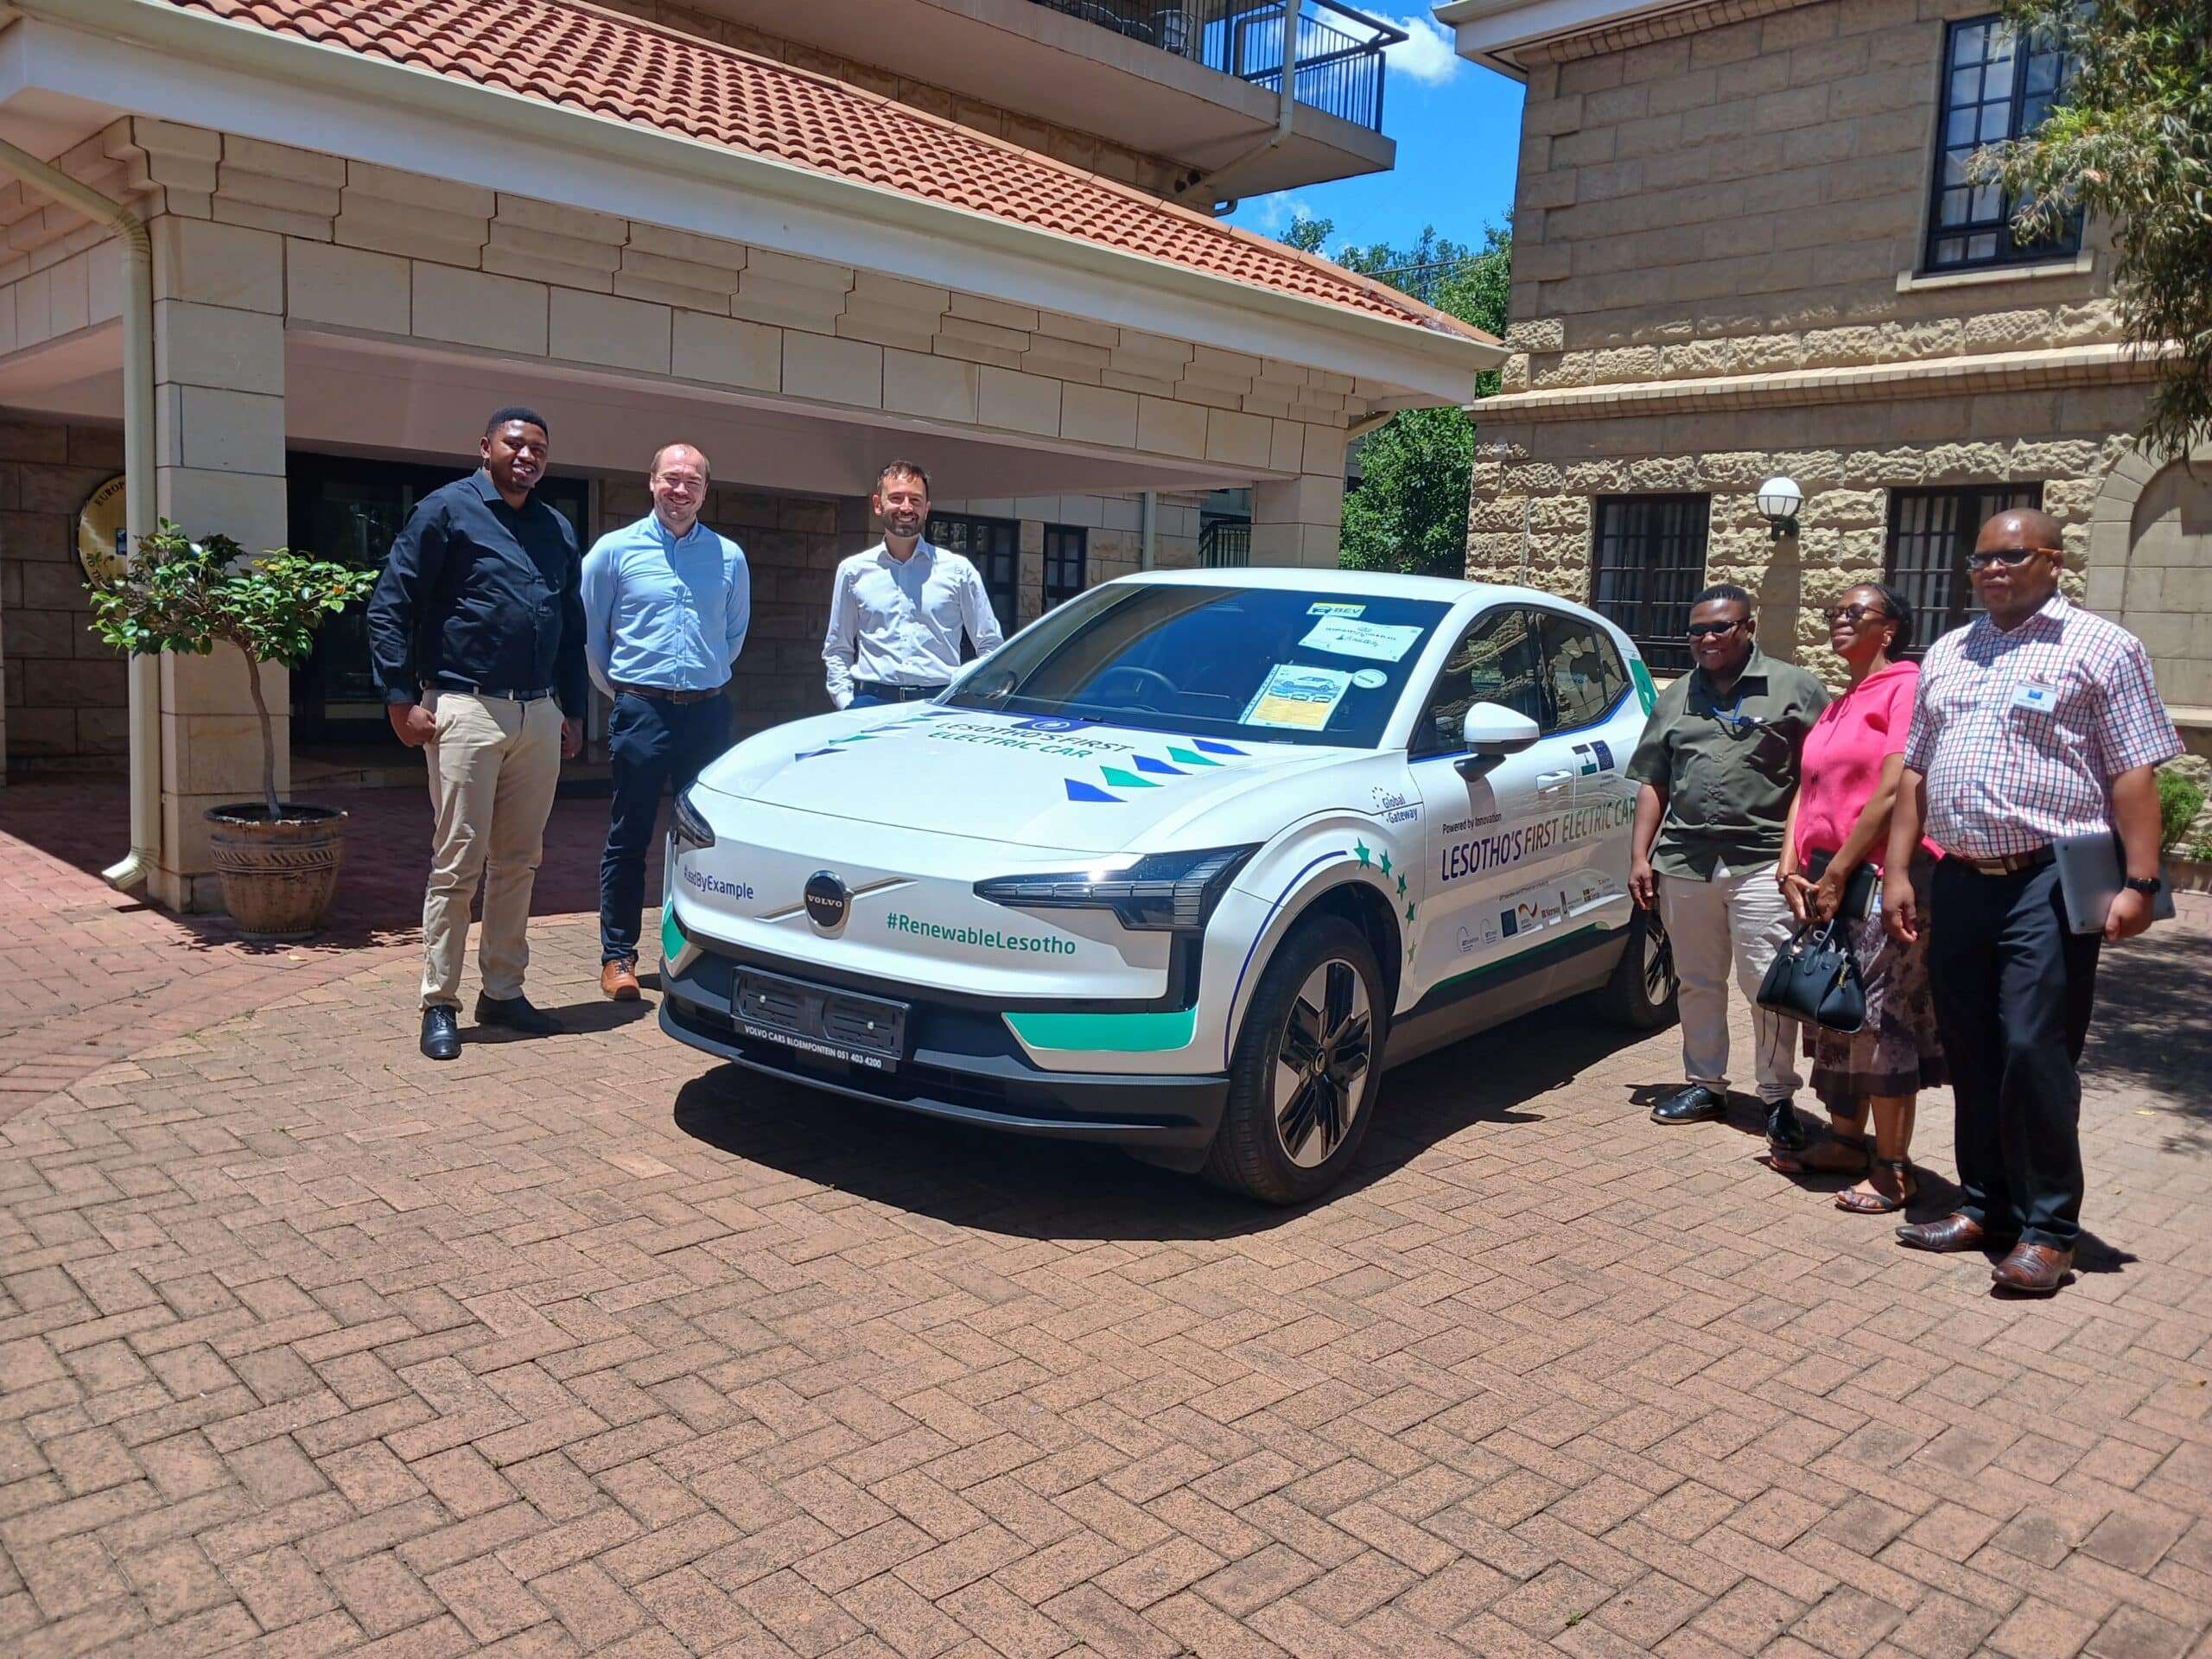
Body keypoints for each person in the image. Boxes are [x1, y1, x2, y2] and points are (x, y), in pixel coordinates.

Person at [1885, 507, 2179, 1295]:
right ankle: (1985, 1206)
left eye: (2010, 556)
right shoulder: (1951, 649)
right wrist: (1899, 870)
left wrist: (2143, 883)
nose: (1991, 570)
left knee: (2032, 1048)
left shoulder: (2102, 648)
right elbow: (1915, 772)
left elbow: (2134, 773)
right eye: (1980, 559)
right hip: (1962, 877)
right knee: (1972, 1045)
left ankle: (2050, 1228)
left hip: (2051, 877)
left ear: (2053, 559)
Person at [366, 407, 586, 1062]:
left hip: (538, 712)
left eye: (539, 449)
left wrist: (571, 709)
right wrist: (399, 700)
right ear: (485, 446)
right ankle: (439, 1001)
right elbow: (392, 604)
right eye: (515, 444)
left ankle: (504, 991)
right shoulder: (446, 510)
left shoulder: (555, 527)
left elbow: (569, 625)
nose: (528, 456)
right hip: (465, 706)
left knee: (520, 859)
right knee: (458, 860)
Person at [1628, 583, 1829, 1147]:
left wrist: (1807, 858)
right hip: (1685, 862)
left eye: (1720, 628)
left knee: (1767, 982)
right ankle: (1706, 1083)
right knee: (1695, 980)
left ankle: (1777, 1096)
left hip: (1765, 860)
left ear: (1747, 628)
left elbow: (1823, 775)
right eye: (1696, 631)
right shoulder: (1676, 697)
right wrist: (1640, 856)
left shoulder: (1795, 687)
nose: (1706, 639)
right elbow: (1653, 779)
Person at [1772, 583, 1947, 1212]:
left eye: (1856, 613)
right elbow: (1808, 784)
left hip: (1877, 878)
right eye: (1835, 613)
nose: (1840, 621)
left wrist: (1841, 869)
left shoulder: (1906, 686)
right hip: (1826, 878)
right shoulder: (1841, 700)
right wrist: (1789, 859)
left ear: (1891, 628)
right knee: (1836, 1010)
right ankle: (1846, 1142)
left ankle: (1895, 1167)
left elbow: (1896, 787)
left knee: (1882, 1019)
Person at [581, 443, 750, 1001]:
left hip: (706, 711)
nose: (681, 490)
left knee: (703, 839)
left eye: (693, 482)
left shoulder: (728, 557)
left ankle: (697, 948)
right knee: (630, 835)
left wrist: (703, 677)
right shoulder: (613, 552)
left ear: (706, 490)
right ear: (651, 482)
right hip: (642, 711)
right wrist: (625, 694)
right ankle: (619, 957)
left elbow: (732, 635)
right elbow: (594, 635)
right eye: (671, 479)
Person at [823, 461, 1003, 709]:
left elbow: (990, 645)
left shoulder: (959, 571)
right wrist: (847, 703)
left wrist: (969, 697)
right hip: (871, 706)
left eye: (915, 500)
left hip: (939, 705)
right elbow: (837, 649)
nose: (906, 507)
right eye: (896, 498)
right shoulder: (853, 571)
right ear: (878, 504)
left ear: (927, 509)